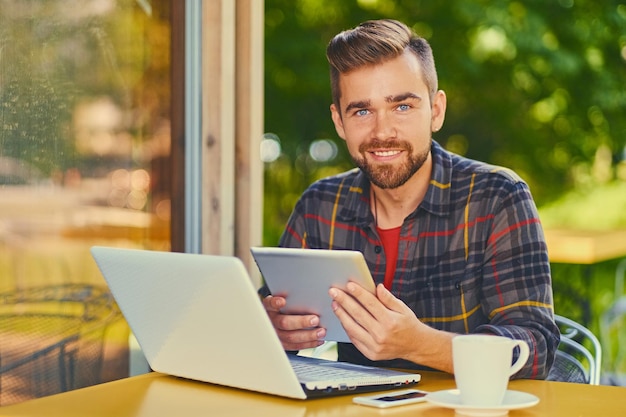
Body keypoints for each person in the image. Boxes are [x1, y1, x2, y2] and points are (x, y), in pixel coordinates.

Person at [261, 19, 559, 379]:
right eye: (362, 111)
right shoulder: (320, 205)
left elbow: (534, 350)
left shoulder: (497, 197)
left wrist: (418, 343)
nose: (382, 131)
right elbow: (266, 321)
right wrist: (274, 329)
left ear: (436, 110)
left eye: (402, 106)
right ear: (339, 121)